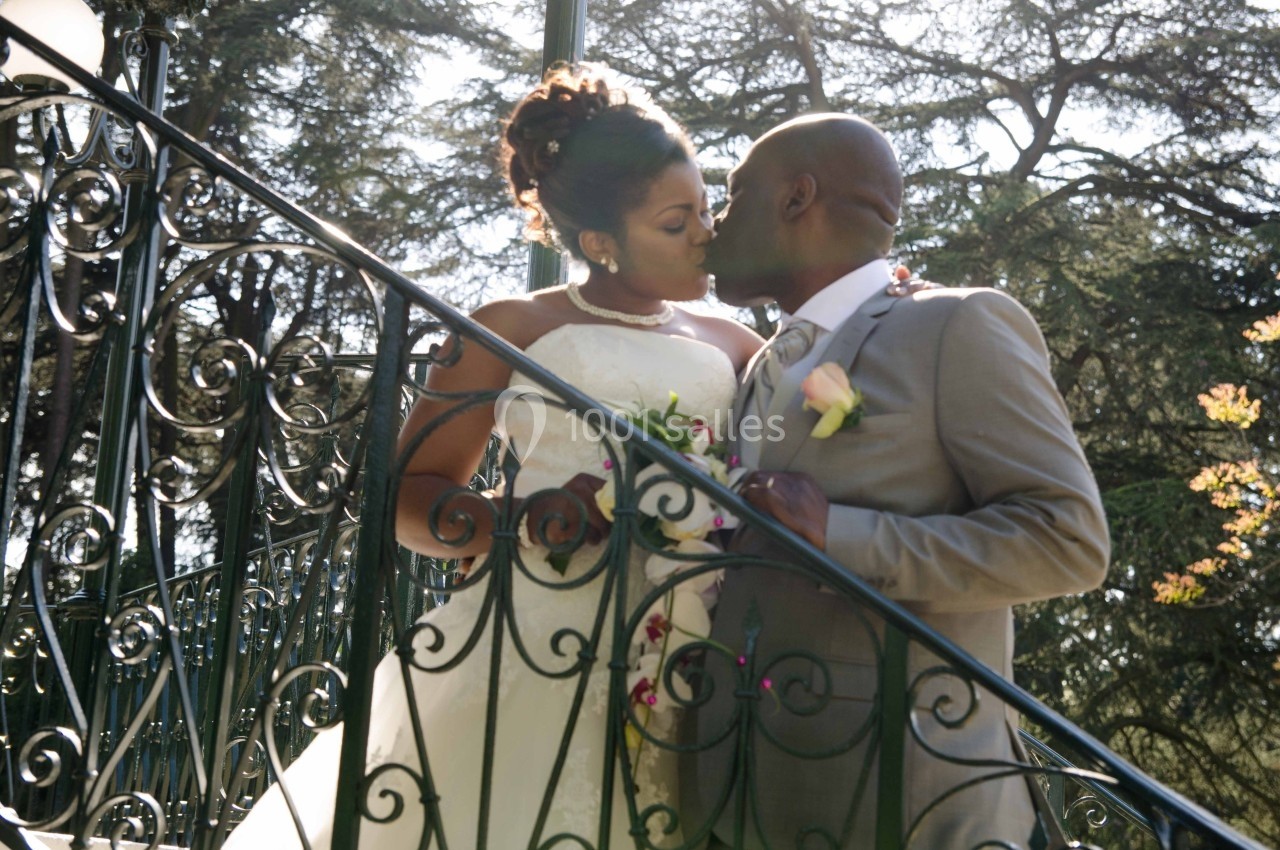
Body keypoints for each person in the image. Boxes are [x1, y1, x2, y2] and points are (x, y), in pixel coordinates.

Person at [221, 64, 761, 850]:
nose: (706, 235)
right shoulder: (512, 324)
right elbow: (409, 502)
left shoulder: (739, 345)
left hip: (691, 639)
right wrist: (527, 523)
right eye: (676, 224)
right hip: (531, 640)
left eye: (705, 212)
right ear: (601, 241)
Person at [680, 114, 1111, 849]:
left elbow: (1068, 541)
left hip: (904, 795)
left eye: (732, 196)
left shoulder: (957, 324)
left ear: (796, 198)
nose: (713, 226)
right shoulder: (758, 366)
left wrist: (840, 534)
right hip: (737, 789)